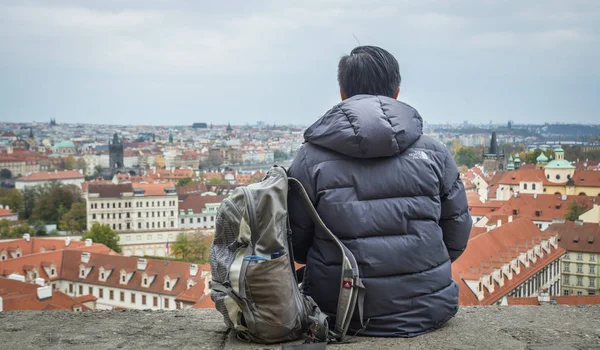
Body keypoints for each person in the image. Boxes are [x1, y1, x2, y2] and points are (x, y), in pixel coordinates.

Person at [287, 45, 472, 337]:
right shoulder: (435, 153)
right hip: (429, 308)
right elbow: (457, 234)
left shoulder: (310, 159)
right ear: (396, 92)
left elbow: (296, 243)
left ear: (342, 94)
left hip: (339, 311)